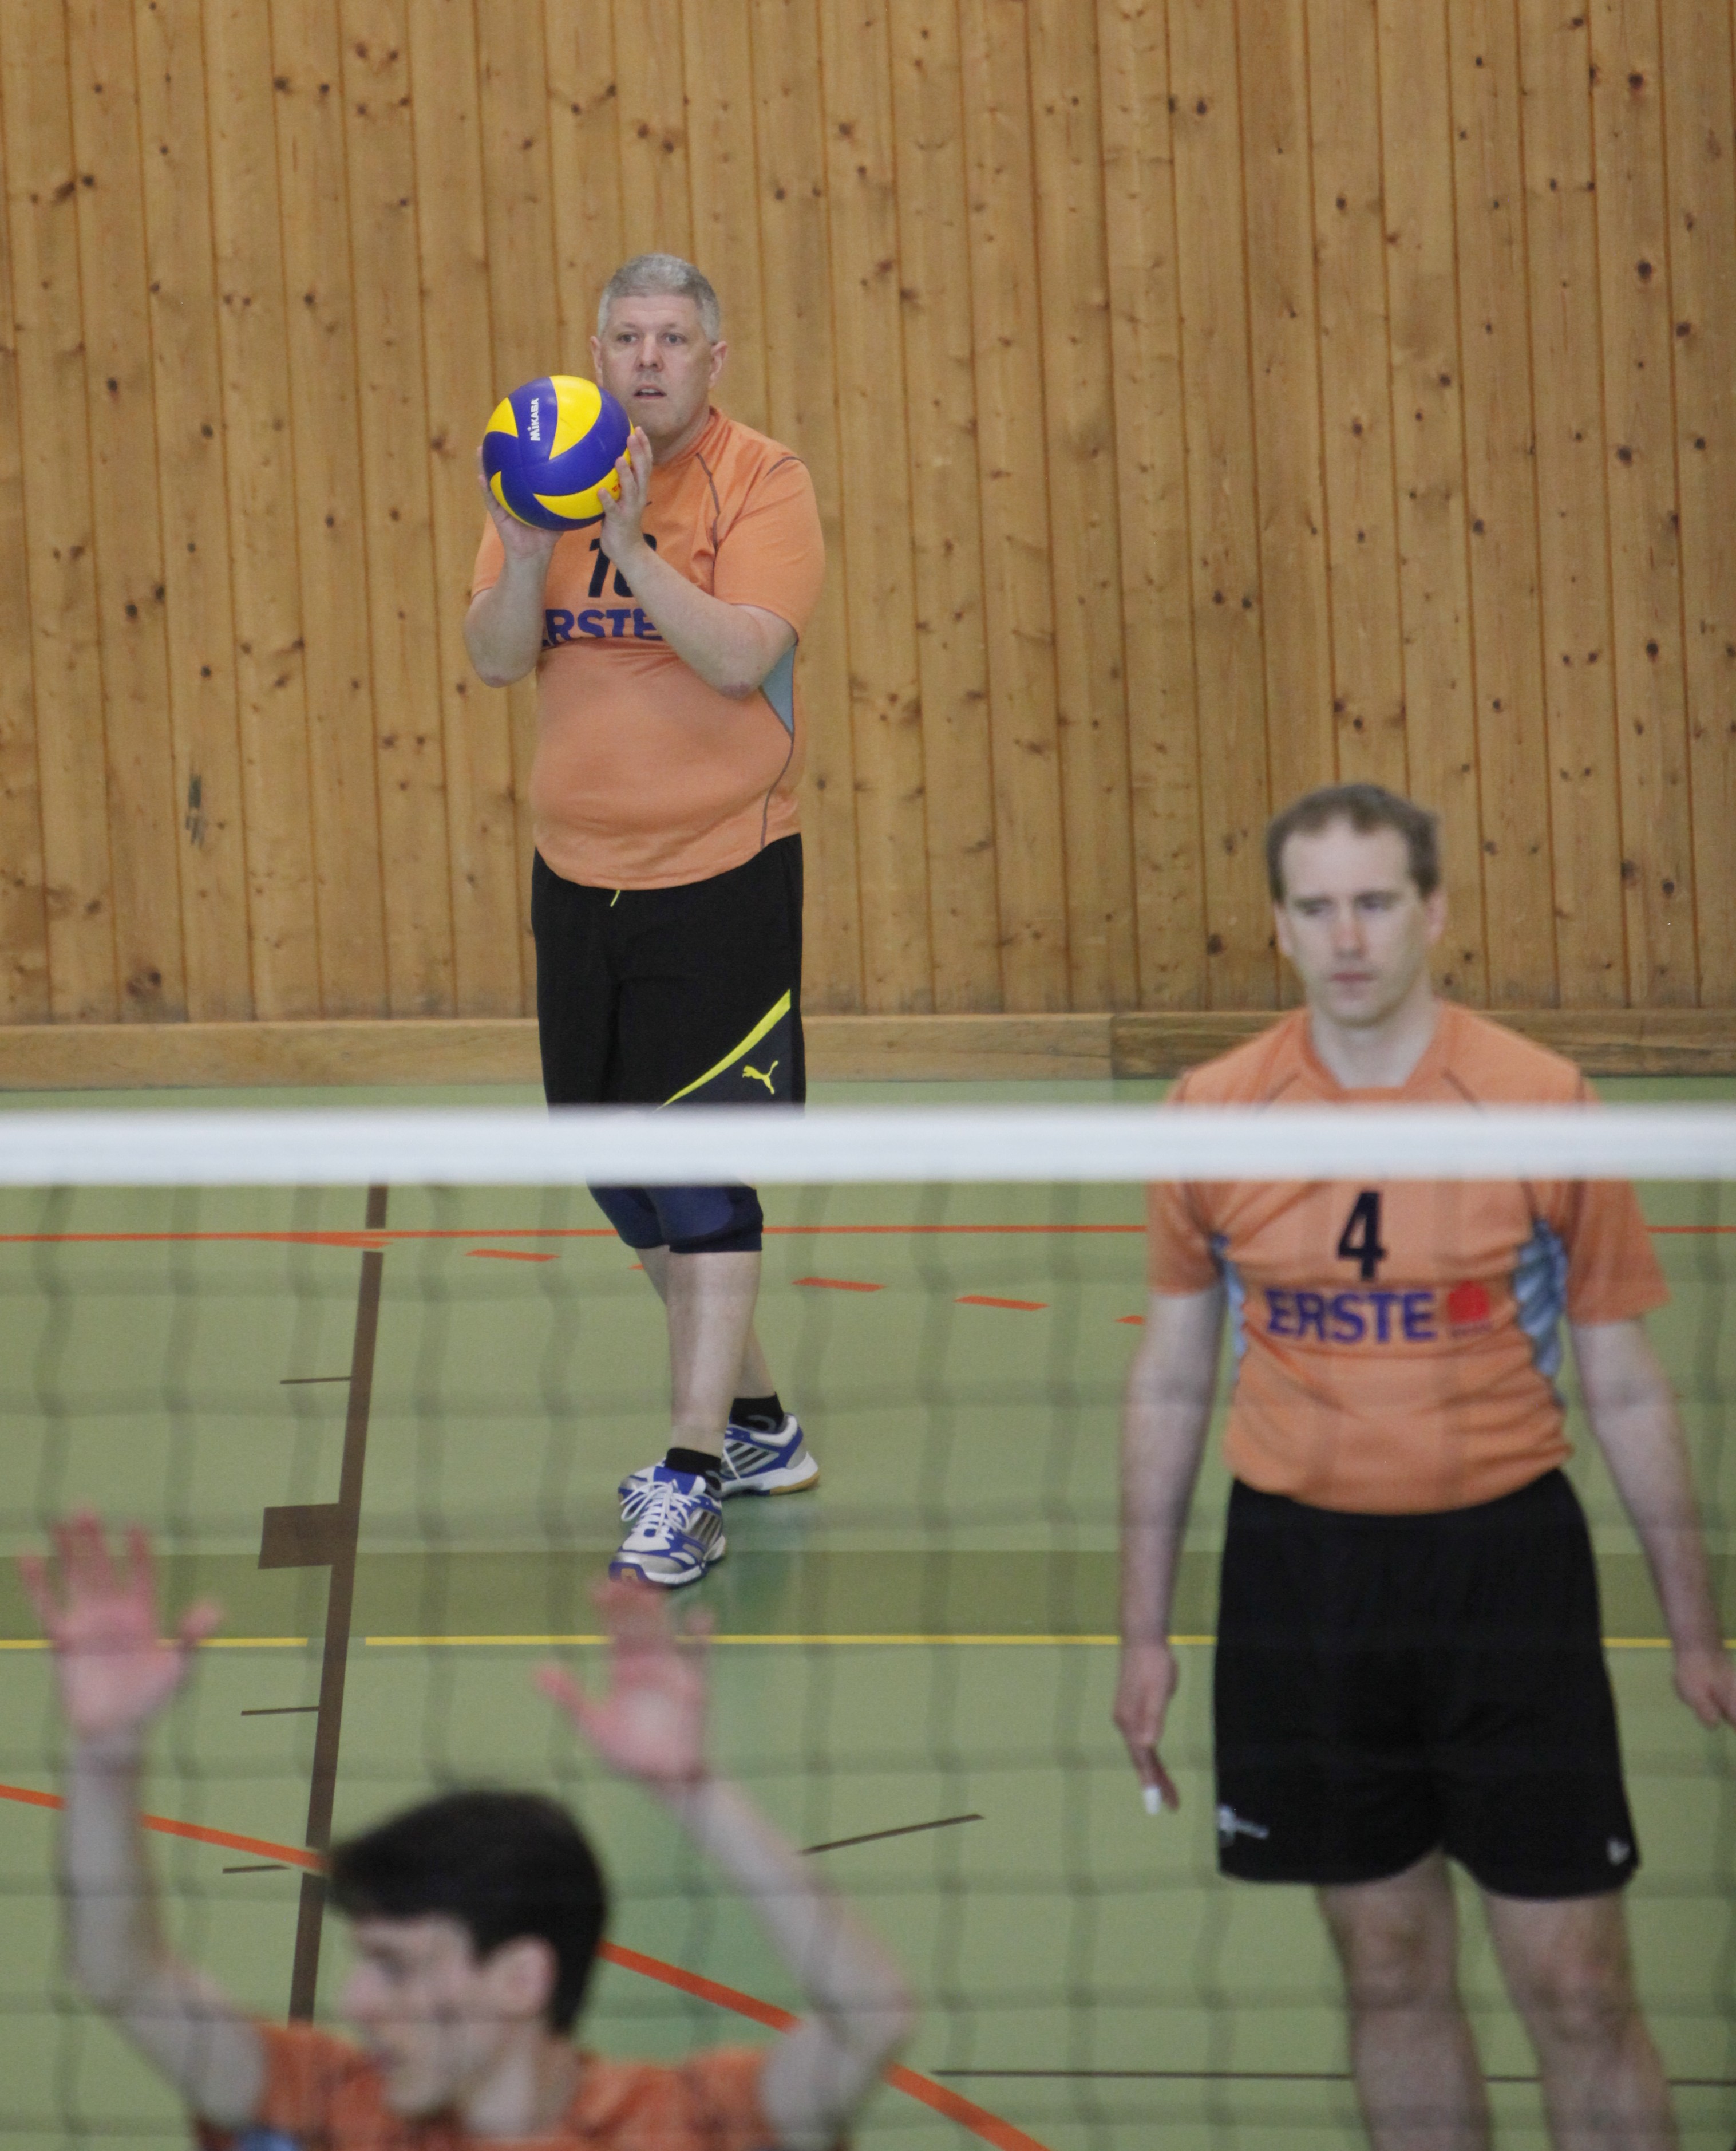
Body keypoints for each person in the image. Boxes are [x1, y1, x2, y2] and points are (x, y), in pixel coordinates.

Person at [1114, 782, 1736, 2151]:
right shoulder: (1211, 1113)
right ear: (1279, 926)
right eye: (1316, 907)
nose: (1347, 937)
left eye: (1375, 902)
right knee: (1388, 1969)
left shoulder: (1540, 1102)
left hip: (1505, 1576)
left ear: (1433, 910)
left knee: (1578, 1984)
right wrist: (1141, 1632)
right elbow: (1167, 1379)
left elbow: (1626, 1383)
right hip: (1301, 1583)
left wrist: (1695, 1628)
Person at [22, 1513, 913, 2150]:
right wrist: (105, 1755)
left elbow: (870, 2017)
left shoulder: (678, 2126)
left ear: (520, 1976)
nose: (357, 2001)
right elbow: (124, 1972)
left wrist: (695, 1792)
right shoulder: (330, 2108)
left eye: (398, 1965)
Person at [464, 252, 824, 1587]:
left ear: (711, 360)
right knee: (619, 1174)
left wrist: (624, 547)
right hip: (576, 878)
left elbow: (740, 656)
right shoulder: (542, 472)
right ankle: (759, 1420)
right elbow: (498, 657)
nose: (648, 360)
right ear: (598, 352)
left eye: (673, 339)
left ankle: (689, 1472)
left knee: (701, 1175)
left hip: (720, 874)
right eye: (627, 338)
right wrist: (525, 552)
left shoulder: (762, 481)